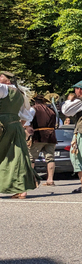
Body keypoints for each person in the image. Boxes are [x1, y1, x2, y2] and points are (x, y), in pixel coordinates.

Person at [0, 71, 39, 199]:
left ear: (7, 80)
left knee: (9, 157)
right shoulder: (21, 94)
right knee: (18, 157)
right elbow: (26, 115)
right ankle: (22, 189)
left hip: (3, 125)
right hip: (16, 125)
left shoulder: (4, 89)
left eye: (1, 76)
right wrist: (20, 126)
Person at [29, 93, 58, 186]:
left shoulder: (33, 109)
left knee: (31, 158)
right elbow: (58, 124)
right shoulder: (52, 110)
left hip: (39, 136)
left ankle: (31, 179)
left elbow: (27, 120)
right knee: (50, 158)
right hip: (51, 136)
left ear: (34, 101)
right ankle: (50, 180)